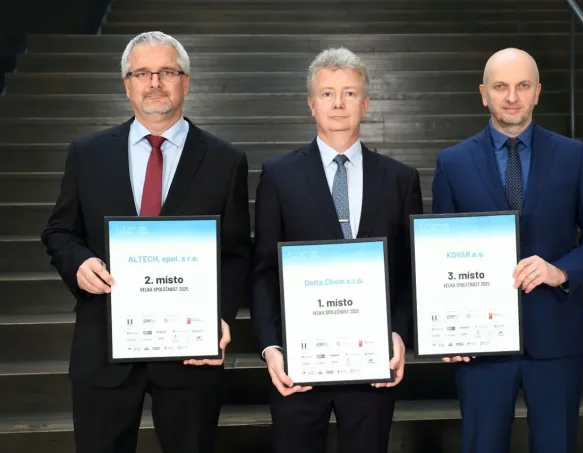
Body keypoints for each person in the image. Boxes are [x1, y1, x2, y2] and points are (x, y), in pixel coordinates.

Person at [41, 31, 251, 453]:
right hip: (104, 347)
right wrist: (78, 263)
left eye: (166, 72)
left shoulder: (225, 161)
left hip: (189, 350)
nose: (155, 82)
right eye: (142, 73)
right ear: (127, 85)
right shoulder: (87, 154)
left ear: (185, 82)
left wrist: (221, 317)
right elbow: (59, 232)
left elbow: (235, 253)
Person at [432, 48, 583, 453]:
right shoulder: (452, 162)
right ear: (484, 94)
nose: (512, 96)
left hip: (557, 338)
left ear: (537, 92)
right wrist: (443, 332)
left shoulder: (573, 155)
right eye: (501, 86)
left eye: (523, 86)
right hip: (480, 344)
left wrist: (561, 271)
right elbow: (438, 254)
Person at [250, 47, 423, 453]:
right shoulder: (278, 176)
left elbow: (408, 272)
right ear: (311, 104)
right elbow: (263, 271)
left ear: (366, 103)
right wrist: (271, 347)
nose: (338, 103)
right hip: (298, 361)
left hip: (372, 361)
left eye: (349, 93)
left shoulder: (400, 179)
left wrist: (399, 333)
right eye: (327, 93)